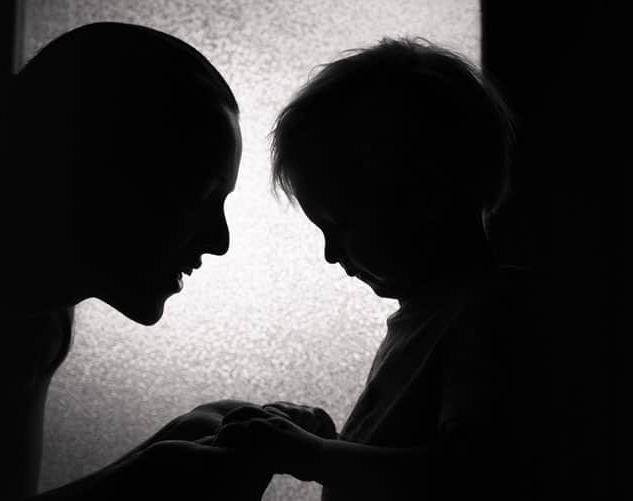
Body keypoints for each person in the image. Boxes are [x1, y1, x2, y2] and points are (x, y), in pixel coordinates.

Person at [214, 38, 533, 500]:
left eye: (339, 223)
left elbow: (468, 475)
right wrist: (331, 442)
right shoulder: (426, 318)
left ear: (428, 198)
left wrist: (310, 455)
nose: (330, 253)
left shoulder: (489, 315)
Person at [0, 22, 270, 500]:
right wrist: (136, 482)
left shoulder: (38, 317)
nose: (219, 242)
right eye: (199, 196)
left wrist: (169, 448)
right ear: (92, 173)